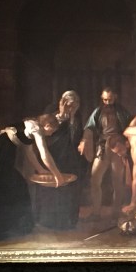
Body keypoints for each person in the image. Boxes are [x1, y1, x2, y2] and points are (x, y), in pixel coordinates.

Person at [0, 114, 65, 241]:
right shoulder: (36, 129)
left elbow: (29, 153)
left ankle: (11, 227)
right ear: (47, 125)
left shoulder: (30, 126)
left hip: (1, 157)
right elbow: (44, 153)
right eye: (52, 130)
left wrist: (41, 170)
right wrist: (57, 175)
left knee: (16, 186)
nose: (51, 134)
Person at [35, 90, 88, 230]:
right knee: (51, 187)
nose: (71, 108)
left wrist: (72, 117)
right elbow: (46, 131)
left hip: (69, 157)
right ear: (62, 102)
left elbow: (75, 137)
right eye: (69, 105)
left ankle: (67, 222)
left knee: (69, 188)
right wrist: (62, 115)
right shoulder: (51, 109)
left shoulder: (76, 115)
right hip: (53, 154)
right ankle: (48, 221)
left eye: (74, 106)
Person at [78, 87, 132, 218]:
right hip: (102, 147)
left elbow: (132, 126)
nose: (107, 102)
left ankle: (116, 211)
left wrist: (126, 142)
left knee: (118, 182)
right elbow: (89, 128)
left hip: (117, 148)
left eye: (110, 100)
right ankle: (96, 212)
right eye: (105, 100)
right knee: (95, 180)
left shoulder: (122, 112)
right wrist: (84, 140)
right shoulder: (98, 111)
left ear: (115, 98)